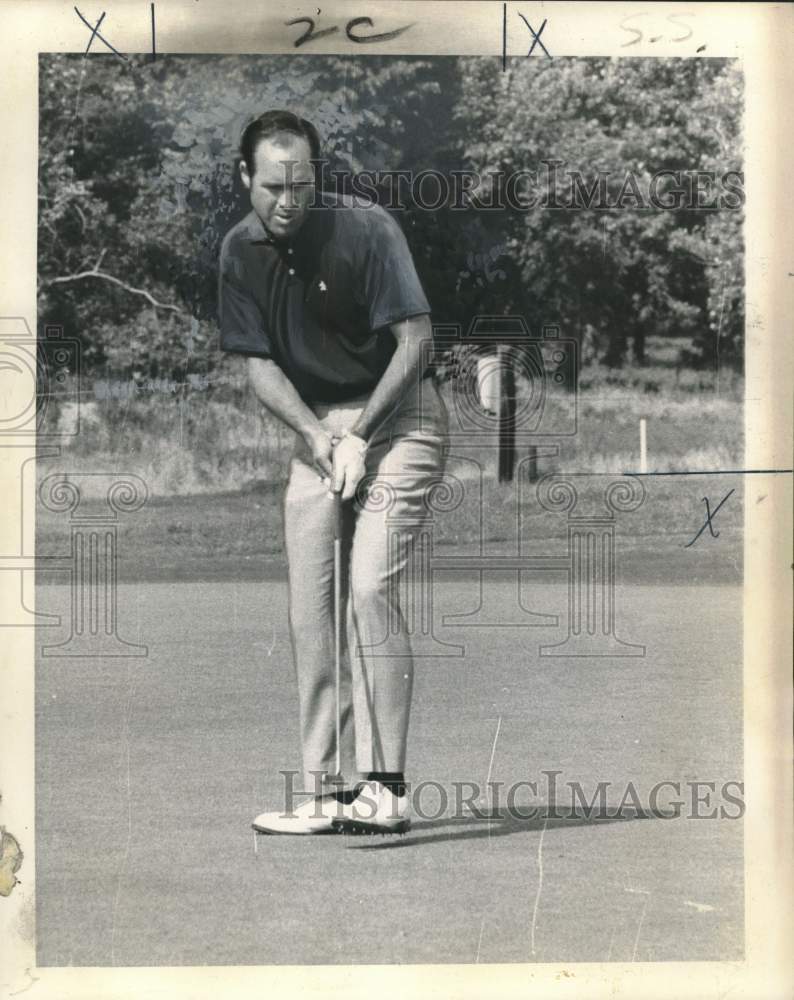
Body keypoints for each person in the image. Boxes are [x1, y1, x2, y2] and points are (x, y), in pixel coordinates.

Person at [218, 110, 448, 834]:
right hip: (317, 430)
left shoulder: (367, 229)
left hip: (402, 418)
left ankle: (385, 789)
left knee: (370, 585)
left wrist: (362, 434)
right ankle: (323, 791)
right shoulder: (238, 252)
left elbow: (416, 343)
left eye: (303, 185)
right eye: (274, 186)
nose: (290, 201)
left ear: (319, 177)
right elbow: (259, 365)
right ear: (245, 179)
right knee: (310, 607)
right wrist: (322, 437)